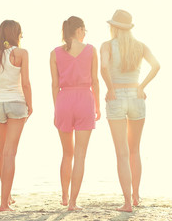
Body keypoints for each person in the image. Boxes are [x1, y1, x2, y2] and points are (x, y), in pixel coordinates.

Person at [100, 9, 160, 212]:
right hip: (136, 97)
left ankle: (126, 203)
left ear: (114, 27)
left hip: (116, 97)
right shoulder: (140, 46)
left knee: (122, 154)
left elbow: (103, 67)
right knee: (134, 150)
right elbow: (156, 66)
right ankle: (135, 196)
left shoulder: (107, 45)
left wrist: (109, 88)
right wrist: (141, 87)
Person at [50, 16, 100, 211]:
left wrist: (57, 108)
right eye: (84, 30)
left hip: (63, 100)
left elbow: (54, 85)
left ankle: (64, 195)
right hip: (84, 100)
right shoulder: (91, 50)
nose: (85, 34)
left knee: (67, 154)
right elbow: (95, 81)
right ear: (79, 30)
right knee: (80, 155)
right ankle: (72, 202)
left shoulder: (54, 53)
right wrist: (96, 106)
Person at [0, 20, 32, 211]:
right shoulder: (21, 53)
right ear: (16, 34)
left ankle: (7, 197)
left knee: (3, 153)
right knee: (10, 153)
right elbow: (25, 83)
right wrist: (30, 104)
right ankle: (4, 204)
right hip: (17, 103)